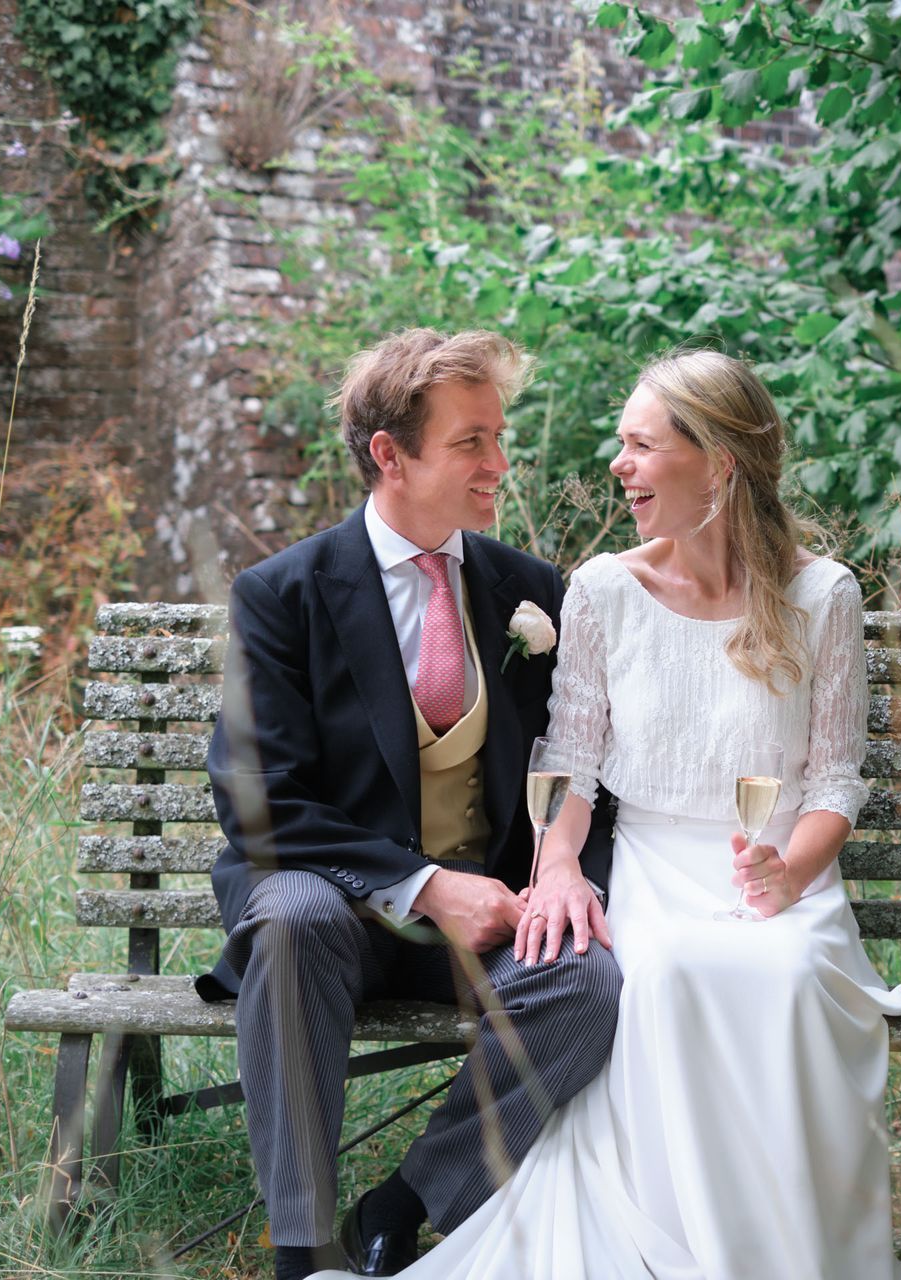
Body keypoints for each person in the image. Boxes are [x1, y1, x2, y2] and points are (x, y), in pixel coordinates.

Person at [317, 348, 901, 1280]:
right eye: (621, 444)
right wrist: (557, 865)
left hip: (779, 875)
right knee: (669, 972)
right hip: (650, 870)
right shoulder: (603, 589)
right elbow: (570, 762)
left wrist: (790, 871)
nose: (619, 465)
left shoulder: (820, 594)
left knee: (789, 975)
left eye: (641, 446)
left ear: (718, 460)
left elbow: (836, 777)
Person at [203, 328, 623, 1280]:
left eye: (500, 437)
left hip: (489, 916)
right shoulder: (283, 595)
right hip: (336, 908)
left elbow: (580, 766)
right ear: (390, 454)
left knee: (587, 980)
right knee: (291, 920)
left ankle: (407, 1202)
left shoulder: (530, 593)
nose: (500, 464)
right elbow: (257, 801)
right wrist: (426, 885)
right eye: (473, 441)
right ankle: (304, 1254)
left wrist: (559, 879)